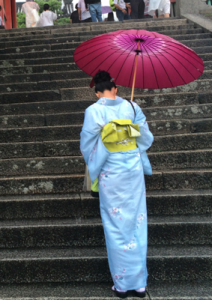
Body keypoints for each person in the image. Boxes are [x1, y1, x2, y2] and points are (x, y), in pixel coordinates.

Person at [80, 70, 154, 299]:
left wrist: (110, 134)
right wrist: (127, 128)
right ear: (115, 89)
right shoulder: (132, 108)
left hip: (111, 173)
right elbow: (145, 137)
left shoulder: (93, 111)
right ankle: (139, 284)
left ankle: (122, 285)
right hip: (132, 171)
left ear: (97, 92)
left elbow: (87, 144)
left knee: (116, 226)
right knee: (136, 222)